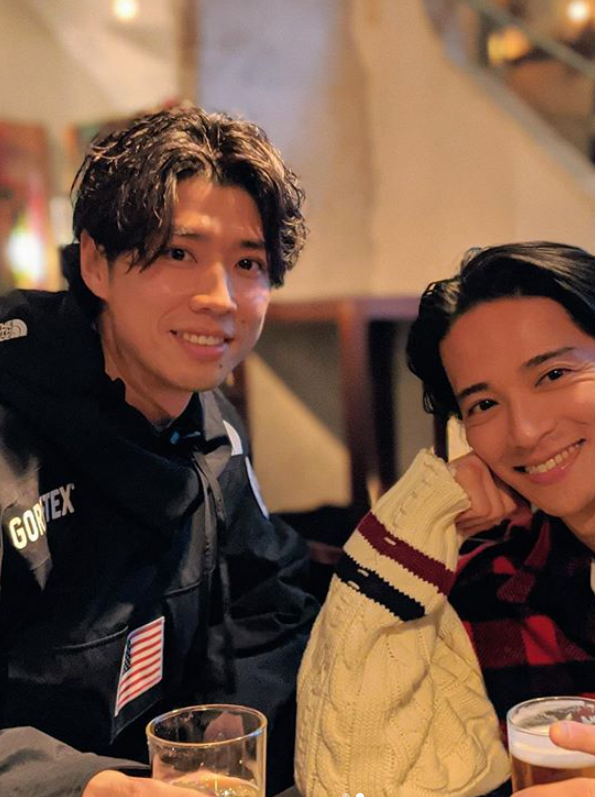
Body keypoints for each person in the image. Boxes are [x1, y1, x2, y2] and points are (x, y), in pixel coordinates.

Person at [295, 242, 595, 797]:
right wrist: (416, 513)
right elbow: (352, 783)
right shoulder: (492, 590)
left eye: (554, 374)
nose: (526, 432)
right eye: (484, 405)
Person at [0, 105, 319, 797]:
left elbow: (266, 602)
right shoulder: (12, 432)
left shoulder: (211, 425)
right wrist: (86, 784)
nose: (220, 297)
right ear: (96, 263)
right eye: (179, 253)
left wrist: (229, 741)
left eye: (248, 263)